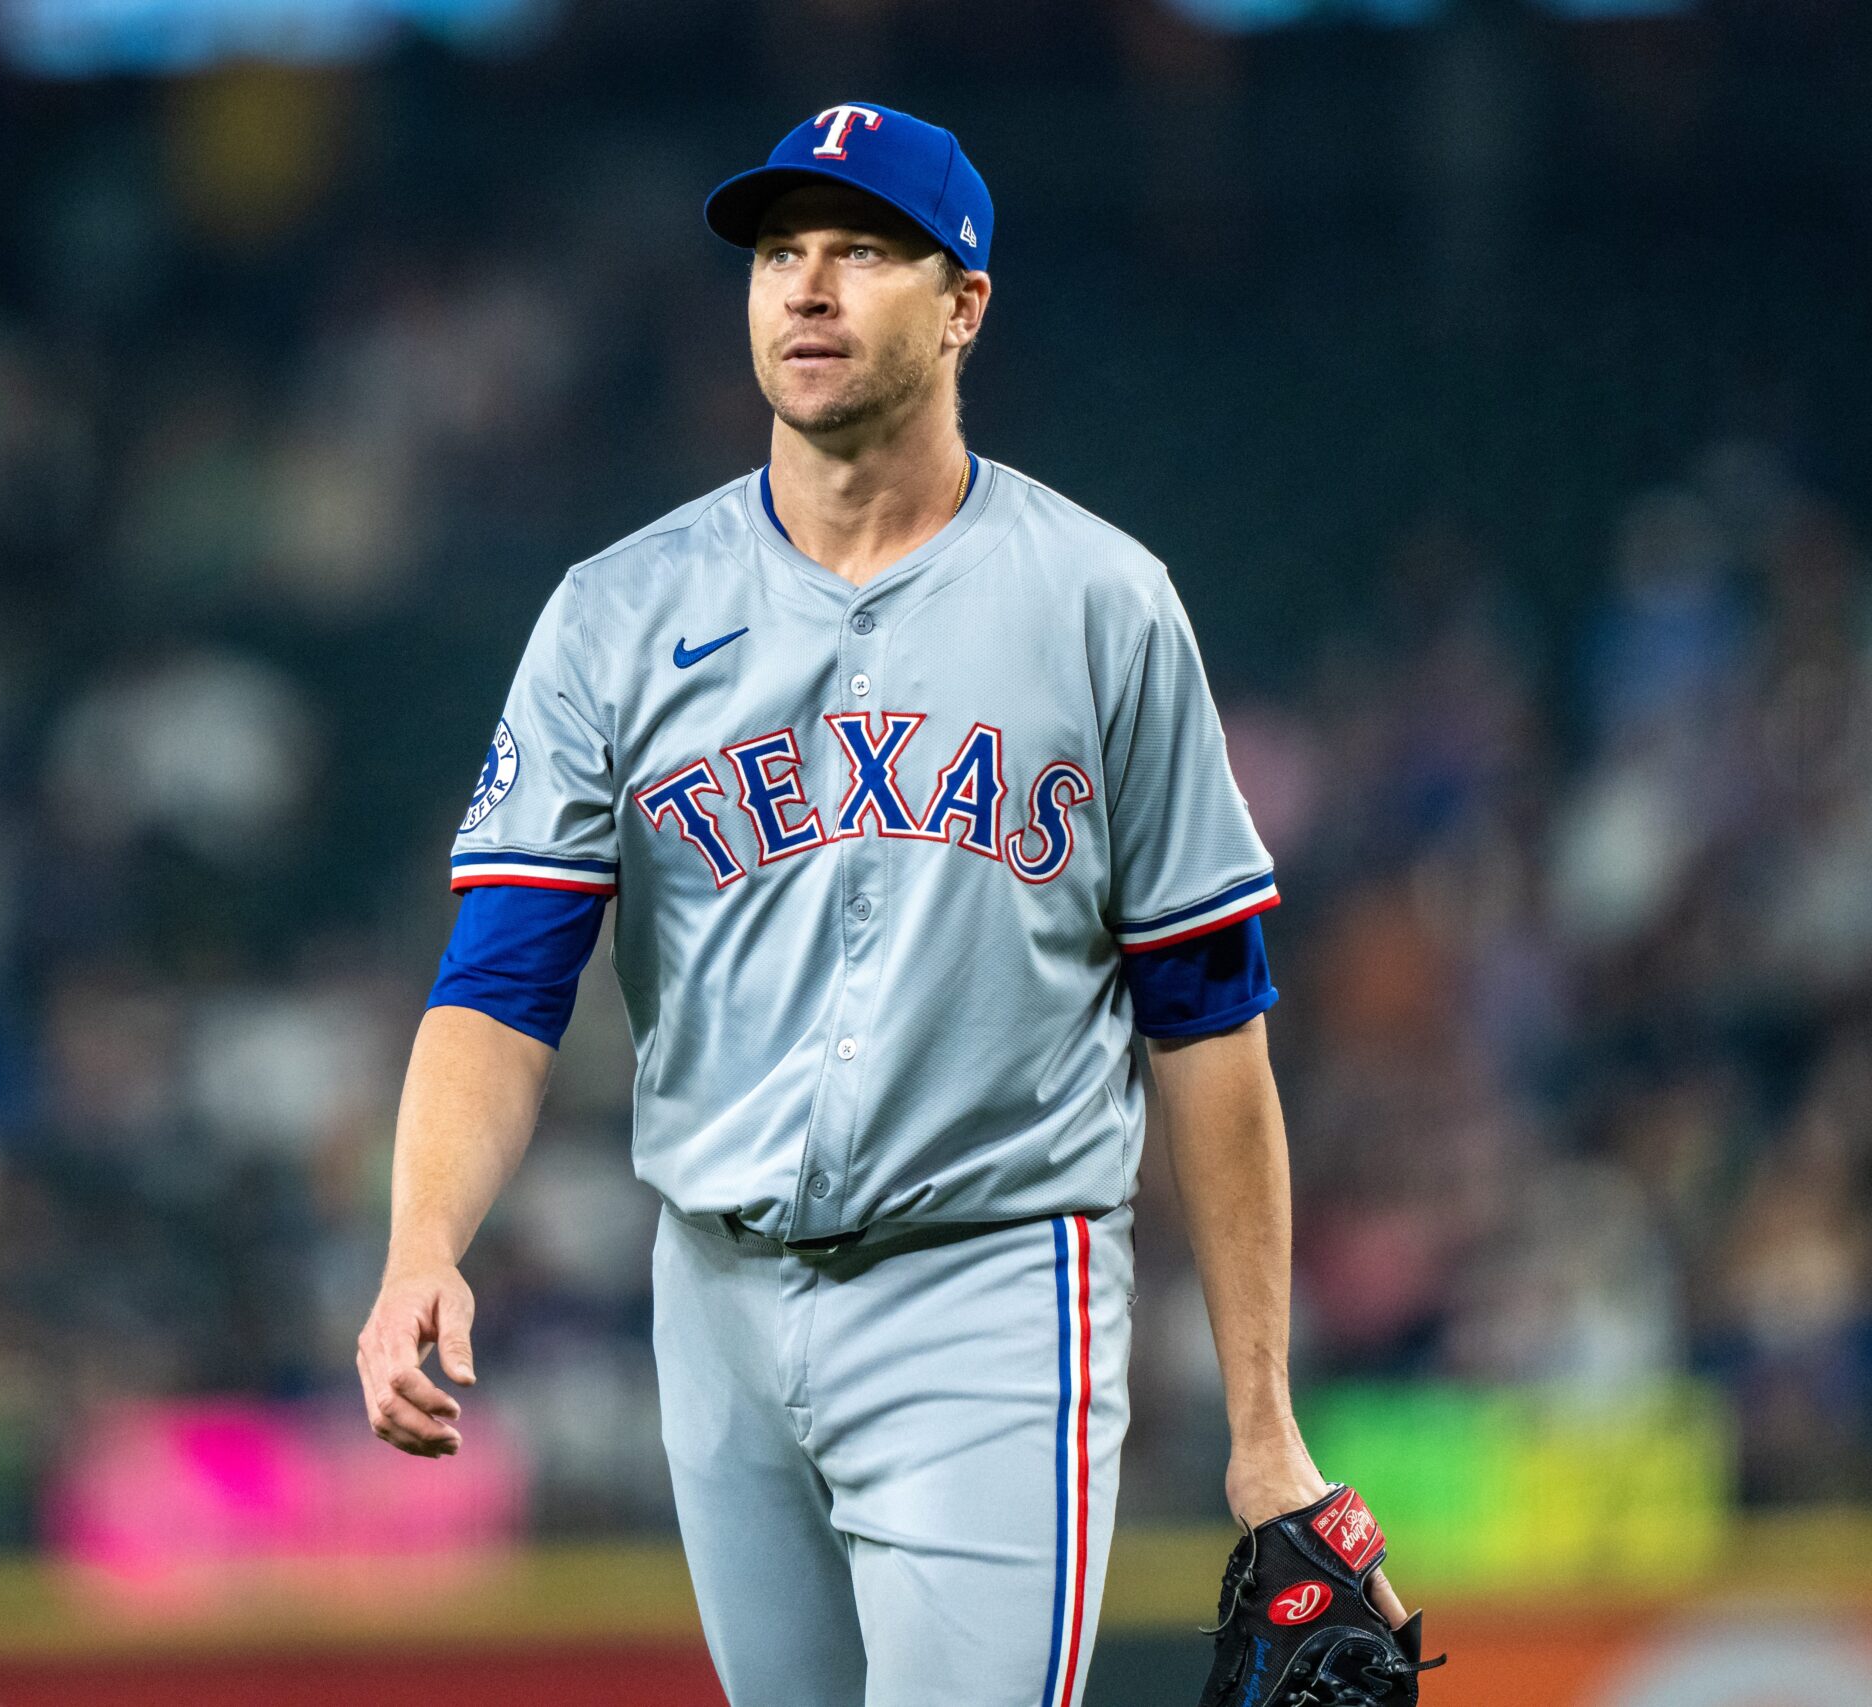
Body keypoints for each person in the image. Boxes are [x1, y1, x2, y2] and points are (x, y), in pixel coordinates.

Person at [355, 101, 1411, 1705]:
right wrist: (422, 1241)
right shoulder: (617, 614)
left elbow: (1210, 1022)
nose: (809, 289)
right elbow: (502, 984)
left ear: (965, 303)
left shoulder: (1100, 605)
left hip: (990, 1292)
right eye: (782, 254)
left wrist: (1263, 1427)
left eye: (862, 251)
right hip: (714, 1293)